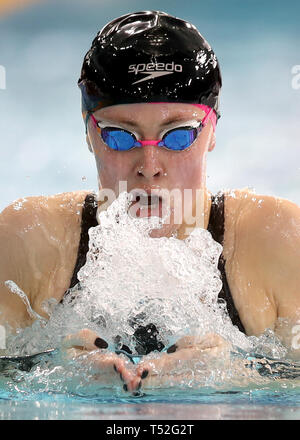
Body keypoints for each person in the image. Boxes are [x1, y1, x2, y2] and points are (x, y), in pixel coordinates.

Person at [0, 10, 300, 393]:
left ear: (213, 130)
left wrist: (234, 378)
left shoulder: (278, 241)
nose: (150, 166)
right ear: (88, 132)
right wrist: (51, 375)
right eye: (121, 137)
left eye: (177, 136)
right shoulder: (29, 241)